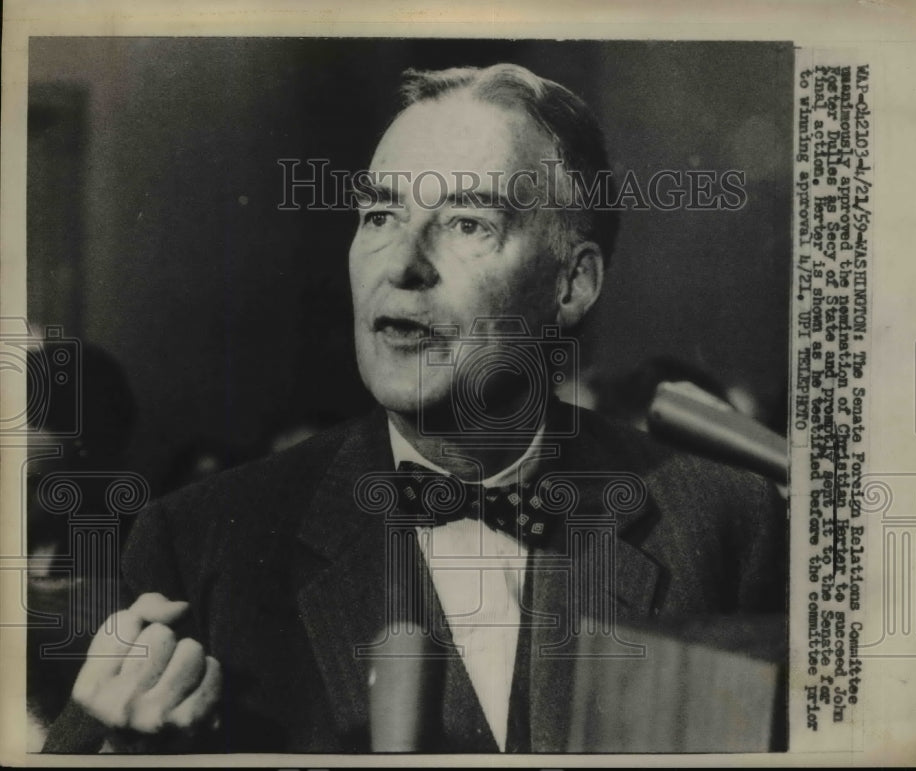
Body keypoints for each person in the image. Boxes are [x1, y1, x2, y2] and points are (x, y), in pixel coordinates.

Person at [41, 63, 787, 754]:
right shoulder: (202, 542)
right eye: (379, 216)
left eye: (467, 223)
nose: (401, 265)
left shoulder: (723, 522)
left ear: (572, 283)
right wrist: (111, 750)